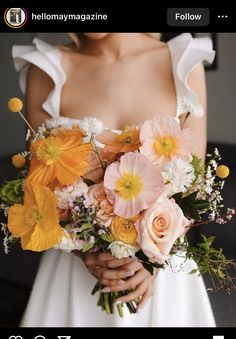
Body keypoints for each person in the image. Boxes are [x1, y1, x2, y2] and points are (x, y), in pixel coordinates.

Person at [12, 33, 216, 327]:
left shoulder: (183, 62)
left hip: (162, 280)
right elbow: (41, 189)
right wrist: (86, 252)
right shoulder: (46, 68)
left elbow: (192, 186)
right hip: (76, 277)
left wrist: (152, 260)